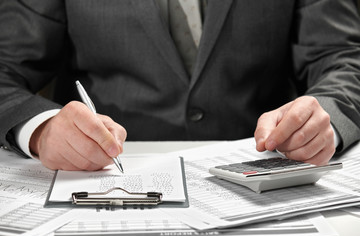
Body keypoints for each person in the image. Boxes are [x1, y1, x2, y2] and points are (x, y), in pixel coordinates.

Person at [0, 0, 359, 171]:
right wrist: (41, 130)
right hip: (105, 182)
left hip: (267, 177)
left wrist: (324, 115)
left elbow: (344, 57)